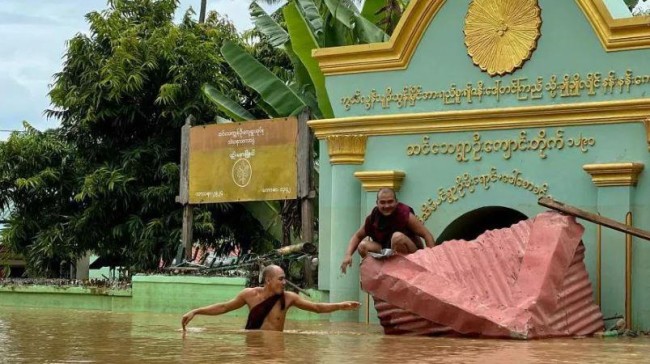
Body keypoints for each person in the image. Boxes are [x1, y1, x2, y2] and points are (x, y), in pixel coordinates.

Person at [181, 264, 360, 332]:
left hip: (276, 347)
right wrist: (196, 311)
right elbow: (224, 307)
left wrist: (340, 305)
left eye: (284, 278)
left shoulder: (289, 298)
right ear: (268, 280)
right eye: (281, 279)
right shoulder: (249, 295)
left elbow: (316, 308)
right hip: (253, 345)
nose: (285, 282)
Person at [340, 187, 436, 274]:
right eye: (382, 202)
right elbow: (357, 236)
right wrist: (348, 255)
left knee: (397, 237)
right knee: (362, 246)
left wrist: (433, 263)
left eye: (390, 202)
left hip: (411, 253)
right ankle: (376, 273)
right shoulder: (373, 217)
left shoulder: (404, 214)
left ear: (396, 202)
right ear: (377, 203)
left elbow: (427, 235)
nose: (386, 206)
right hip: (387, 251)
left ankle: (398, 270)